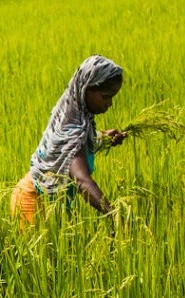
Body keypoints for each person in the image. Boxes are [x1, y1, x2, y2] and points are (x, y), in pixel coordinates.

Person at [11, 55, 128, 225]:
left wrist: (102, 139)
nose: (109, 104)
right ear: (86, 88)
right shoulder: (71, 129)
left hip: (54, 202)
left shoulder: (77, 115)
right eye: (105, 97)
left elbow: (74, 147)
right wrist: (114, 215)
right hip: (33, 202)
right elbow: (82, 180)